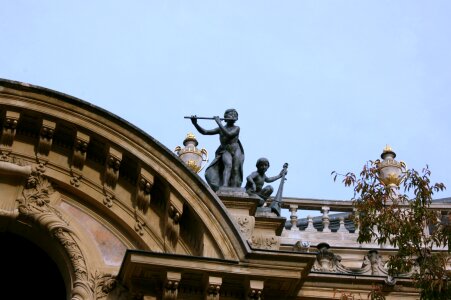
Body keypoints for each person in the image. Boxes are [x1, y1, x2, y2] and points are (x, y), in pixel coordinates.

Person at [190, 109, 244, 191]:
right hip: (226, 150)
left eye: (234, 115)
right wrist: (195, 124)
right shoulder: (220, 129)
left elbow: (229, 134)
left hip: (236, 149)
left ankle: (235, 187)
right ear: (225, 117)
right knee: (228, 165)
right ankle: (225, 186)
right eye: (230, 115)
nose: (233, 116)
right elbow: (205, 132)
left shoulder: (237, 128)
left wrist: (219, 122)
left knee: (235, 168)